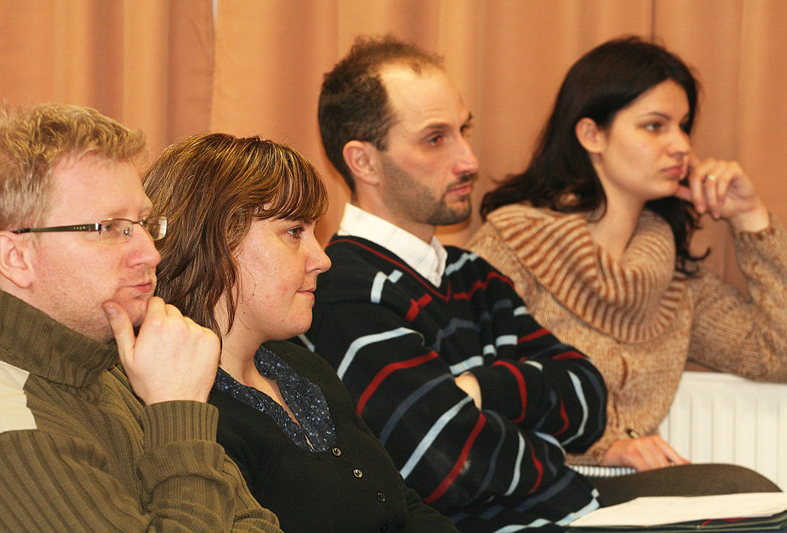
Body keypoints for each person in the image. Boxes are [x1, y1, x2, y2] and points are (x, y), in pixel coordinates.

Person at [301, 35, 608, 531]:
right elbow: (449, 467)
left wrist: (485, 388)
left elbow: (589, 399)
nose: (469, 161)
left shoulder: (473, 274)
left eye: (463, 130)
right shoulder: (342, 290)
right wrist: (546, 444)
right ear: (364, 162)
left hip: (580, 514)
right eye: (435, 138)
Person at [470, 36, 786, 497]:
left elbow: (775, 355)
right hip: (526, 483)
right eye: (655, 126)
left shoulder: (674, 276)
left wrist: (749, 218)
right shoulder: (510, 244)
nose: (681, 146)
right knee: (739, 490)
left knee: (752, 498)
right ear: (591, 135)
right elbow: (467, 385)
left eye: (683, 126)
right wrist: (602, 447)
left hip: (626, 492)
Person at [0, 104, 281, 532]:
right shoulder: (6, 420)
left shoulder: (111, 363)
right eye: (109, 228)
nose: (150, 254)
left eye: (143, 223)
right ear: (16, 257)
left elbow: (258, 524)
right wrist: (179, 410)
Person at [144, 133, 458, 533]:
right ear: (216, 243)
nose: (322, 259)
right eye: (294, 231)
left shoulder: (303, 367)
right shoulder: (186, 410)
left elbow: (402, 505)